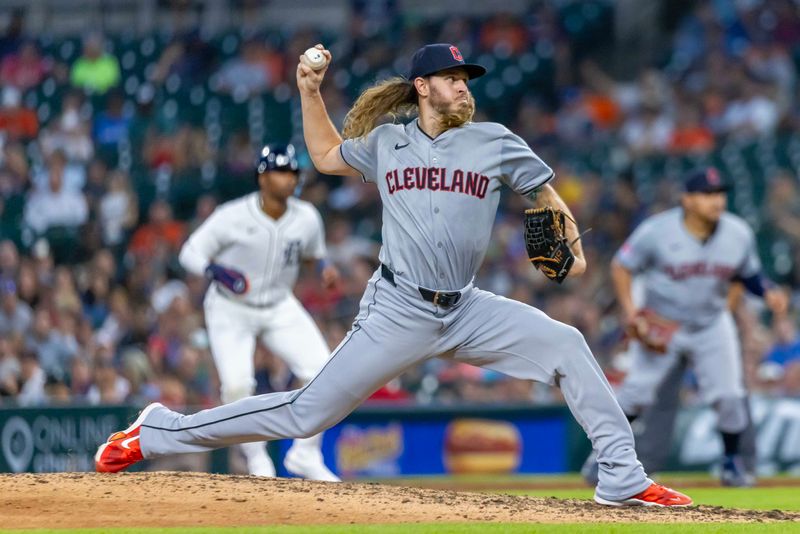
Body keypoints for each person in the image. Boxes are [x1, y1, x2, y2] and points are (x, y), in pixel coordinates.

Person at [95, 43, 691, 507]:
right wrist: (309, 91)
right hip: (398, 308)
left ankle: (621, 475)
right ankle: (159, 431)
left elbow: (546, 199)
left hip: (466, 308)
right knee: (307, 414)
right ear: (423, 87)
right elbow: (327, 156)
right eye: (454, 78)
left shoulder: (495, 142)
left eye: (467, 79)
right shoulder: (386, 143)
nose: (463, 86)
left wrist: (573, 250)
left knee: (567, 343)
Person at [583, 168, 788, 487]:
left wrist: (768, 291)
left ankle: (733, 463)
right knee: (636, 393)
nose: (716, 200)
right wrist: (631, 312)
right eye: (707, 194)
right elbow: (622, 265)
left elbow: (749, 275)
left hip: (710, 323)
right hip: (663, 323)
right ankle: (604, 455)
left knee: (729, 397)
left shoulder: (738, 232)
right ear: (687, 199)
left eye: (720, 193)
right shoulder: (657, 231)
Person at [175, 143, 340, 481]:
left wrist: (324, 267)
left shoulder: (307, 217)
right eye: (281, 172)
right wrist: (216, 271)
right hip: (229, 307)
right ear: (262, 178)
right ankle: (256, 459)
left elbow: (315, 252)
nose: (289, 179)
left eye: (293, 172)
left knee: (326, 373)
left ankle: (305, 454)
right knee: (236, 385)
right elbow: (189, 252)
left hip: (279, 305)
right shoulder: (232, 215)